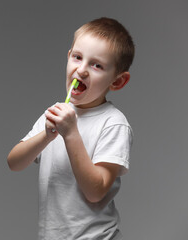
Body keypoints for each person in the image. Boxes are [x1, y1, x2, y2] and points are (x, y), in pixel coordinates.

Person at [7, 17, 135, 240]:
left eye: (97, 65)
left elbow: (96, 192)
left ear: (117, 81)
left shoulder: (113, 123)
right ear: (68, 58)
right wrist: (46, 136)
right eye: (77, 57)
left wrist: (71, 134)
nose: (82, 70)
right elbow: (14, 163)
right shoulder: (57, 114)